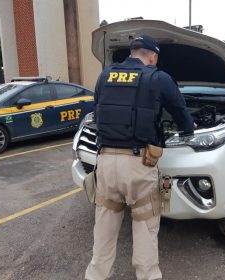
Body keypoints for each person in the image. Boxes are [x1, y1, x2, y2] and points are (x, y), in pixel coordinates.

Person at [85, 34, 194, 280]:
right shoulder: (159, 77)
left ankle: (96, 276)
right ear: (153, 57)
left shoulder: (105, 75)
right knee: (145, 225)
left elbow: (98, 109)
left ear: (132, 52)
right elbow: (181, 112)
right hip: (138, 164)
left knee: (104, 226)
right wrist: (189, 129)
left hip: (104, 162)